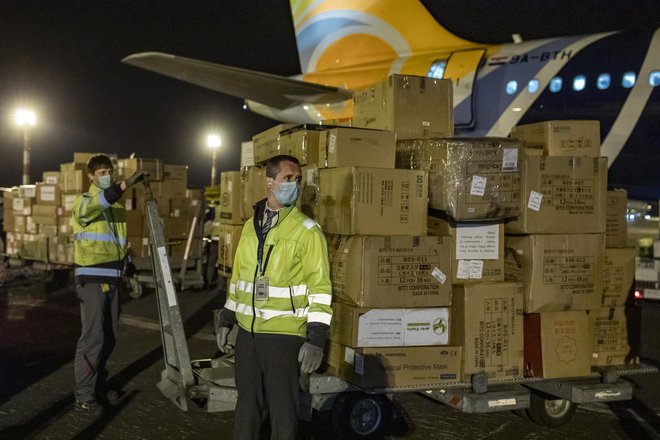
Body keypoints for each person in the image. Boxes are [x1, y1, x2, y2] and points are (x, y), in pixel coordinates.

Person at [215, 155, 333, 440]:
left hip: (284, 335)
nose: (294, 184)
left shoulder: (307, 231)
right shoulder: (248, 227)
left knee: (283, 412)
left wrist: (316, 338)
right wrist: (228, 317)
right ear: (269, 182)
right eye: (287, 179)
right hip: (248, 335)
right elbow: (240, 279)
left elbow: (320, 287)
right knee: (246, 407)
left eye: (297, 179)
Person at [72, 154, 145, 413]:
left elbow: (118, 243)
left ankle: (97, 383)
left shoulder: (115, 208)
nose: (106, 175)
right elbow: (96, 206)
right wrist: (123, 186)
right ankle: (85, 393)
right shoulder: (85, 201)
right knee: (94, 337)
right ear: (91, 176)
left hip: (113, 277)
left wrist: (130, 268)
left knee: (110, 336)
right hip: (91, 276)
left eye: (109, 171)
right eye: (101, 172)